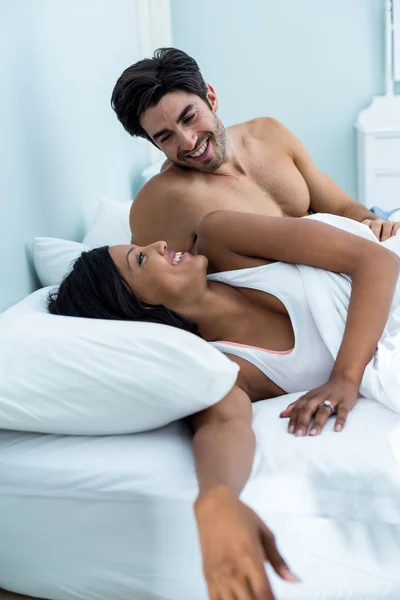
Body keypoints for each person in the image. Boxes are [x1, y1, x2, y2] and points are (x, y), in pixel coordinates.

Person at [48, 211, 400, 600]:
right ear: (135, 308)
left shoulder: (222, 237)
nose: (160, 244)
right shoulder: (223, 367)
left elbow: (376, 259)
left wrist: (346, 377)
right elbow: (223, 425)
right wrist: (217, 498)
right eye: (141, 259)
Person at [111, 48, 400, 252]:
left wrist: (371, 223)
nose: (187, 142)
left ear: (211, 98)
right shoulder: (162, 200)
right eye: (166, 137)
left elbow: (345, 208)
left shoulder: (268, 133)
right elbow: (152, 292)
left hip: (352, 265)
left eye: (189, 118)